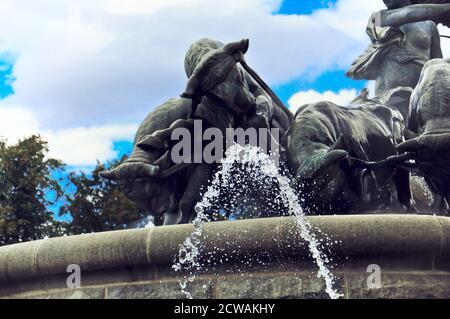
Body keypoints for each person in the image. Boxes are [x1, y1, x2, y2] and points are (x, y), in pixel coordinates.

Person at [347, 0, 450, 96]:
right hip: (389, 95)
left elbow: (437, 65)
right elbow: (407, 14)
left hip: (422, 94)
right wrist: (446, 7)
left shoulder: (430, 26)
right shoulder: (377, 18)